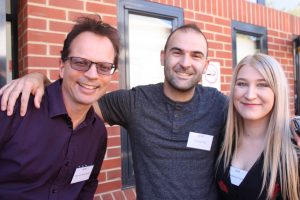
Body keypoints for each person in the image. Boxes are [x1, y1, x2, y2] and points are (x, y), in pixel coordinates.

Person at [0, 24, 228, 199]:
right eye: (177, 52)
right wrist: (37, 79)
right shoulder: (135, 102)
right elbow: (76, 99)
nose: (186, 62)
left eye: (196, 55)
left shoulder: (220, 105)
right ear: (163, 57)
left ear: (206, 64)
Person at [0, 16, 120, 199]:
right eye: (80, 62)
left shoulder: (97, 132)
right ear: (62, 66)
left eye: (104, 67)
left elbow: (87, 186)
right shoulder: (13, 108)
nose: (92, 75)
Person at [216, 53, 300, 200]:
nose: (250, 95)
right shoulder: (223, 137)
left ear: (277, 91)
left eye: (262, 85)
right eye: (242, 84)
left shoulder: (294, 148)